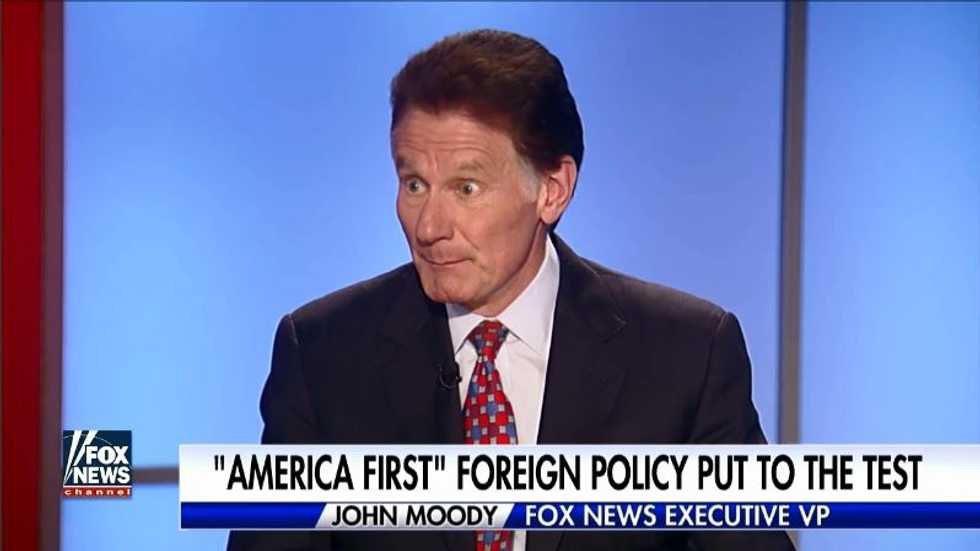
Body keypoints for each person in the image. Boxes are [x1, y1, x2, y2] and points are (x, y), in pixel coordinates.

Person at [228, 29, 794, 551]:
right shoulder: (323, 355)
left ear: (552, 189)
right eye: (414, 183)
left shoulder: (686, 357)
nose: (429, 226)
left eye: (466, 188)